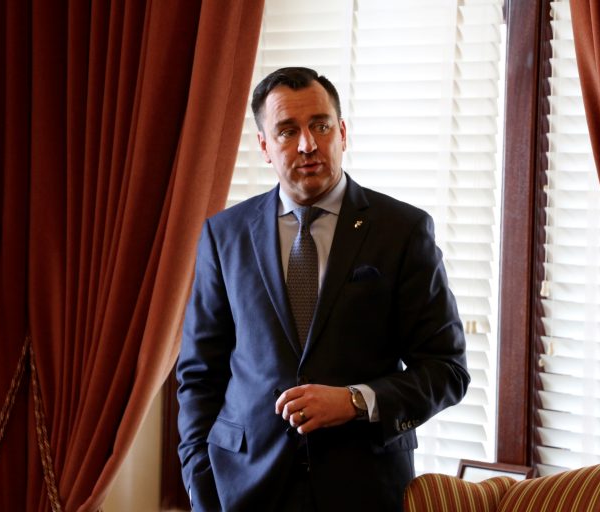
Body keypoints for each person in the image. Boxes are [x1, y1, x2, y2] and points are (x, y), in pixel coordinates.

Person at [176, 66, 470, 512]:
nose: (307, 144)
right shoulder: (224, 235)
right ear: (264, 146)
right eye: (287, 131)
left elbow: (447, 369)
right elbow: (200, 374)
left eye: (320, 126)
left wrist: (355, 401)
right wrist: (201, 483)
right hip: (243, 489)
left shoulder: (402, 231)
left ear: (342, 133)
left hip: (363, 488)